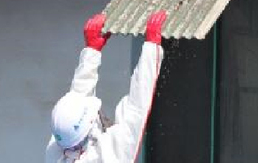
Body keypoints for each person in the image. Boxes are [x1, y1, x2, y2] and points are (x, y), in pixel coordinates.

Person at [45, 10, 167, 163]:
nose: (100, 114)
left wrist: (91, 51)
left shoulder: (58, 149)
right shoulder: (110, 156)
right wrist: (151, 47)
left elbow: (78, 96)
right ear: (89, 130)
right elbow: (137, 107)